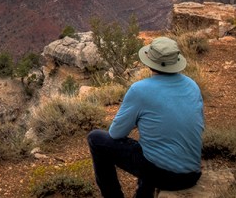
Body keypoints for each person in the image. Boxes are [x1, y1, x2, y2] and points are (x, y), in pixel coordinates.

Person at [87, 36, 204, 198]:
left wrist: (137, 120)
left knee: (96, 139)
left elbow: (116, 134)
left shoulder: (140, 90)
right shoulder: (192, 85)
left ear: (150, 62)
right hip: (192, 174)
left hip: (165, 176)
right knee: (151, 146)